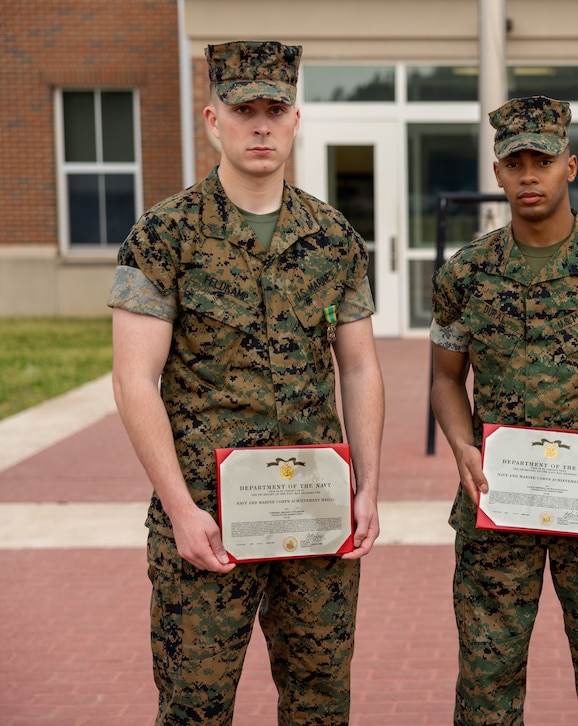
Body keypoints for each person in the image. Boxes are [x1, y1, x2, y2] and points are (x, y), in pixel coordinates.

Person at [108, 40, 385, 724]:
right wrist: (179, 509)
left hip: (314, 513)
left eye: (275, 109)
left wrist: (369, 487)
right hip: (208, 518)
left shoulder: (332, 237)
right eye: (243, 110)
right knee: (195, 706)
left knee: (320, 702)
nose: (260, 125)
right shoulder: (163, 236)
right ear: (212, 119)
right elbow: (134, 379)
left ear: (295, 121)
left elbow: (359, 366)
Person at [429, 96, 578, 725]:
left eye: (543, 159)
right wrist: (461, 446)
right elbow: (446, 378)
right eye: (516, 163)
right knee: (487, 675)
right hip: (497, 502)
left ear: (571, 165)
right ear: (498, 174)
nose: (529, 175)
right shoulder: (467, 274)